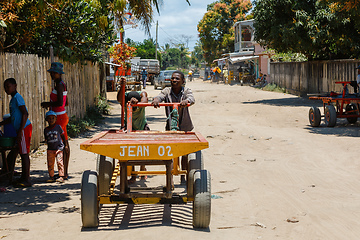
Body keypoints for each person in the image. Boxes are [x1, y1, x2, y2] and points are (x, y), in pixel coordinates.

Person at [151, 70, 195, 184]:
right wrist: (156, 100)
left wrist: (186, 101)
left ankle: (183, 177)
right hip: (171, 126)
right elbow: (160, 96)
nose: (174, 80)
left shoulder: (186, 91)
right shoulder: (167, 91)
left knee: (184, 154)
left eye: (177, 79)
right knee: (170, 153)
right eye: (172, 78)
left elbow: (192, 98)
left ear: (183, 81)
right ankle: (169, 180)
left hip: (185, 126)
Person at [0, 78, 32, 187]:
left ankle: (26, 179)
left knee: (24, 154)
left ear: (15, 86)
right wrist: (1, 123)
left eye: (8, 86)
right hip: (21, 129)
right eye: (5, 87)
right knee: (21, 152)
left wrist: (20, 131)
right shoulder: (13, 99)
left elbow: (25, 114)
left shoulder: (18, 98)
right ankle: (23, 177)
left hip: (24, 128)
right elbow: (13, 117)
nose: (6, 89)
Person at [41, 62, 70, 180]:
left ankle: (63, 173)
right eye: (51, 72)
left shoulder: (59, 85)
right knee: (65, 143)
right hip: (62, 116)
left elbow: (59, 103)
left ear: (59, 73)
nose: (52, 74)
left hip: (59, 117)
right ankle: (64, 172)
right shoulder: (61, 84)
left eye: (54, 72)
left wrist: (47, 104)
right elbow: (65, 102)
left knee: (61, 145)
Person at [117, 77, 149, 183]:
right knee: (131, 152)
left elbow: (145, 99)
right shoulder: (125, 100)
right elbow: (119, 98)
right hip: (129, 127)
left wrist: (138, 104)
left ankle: (143, 171)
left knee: (143, 151)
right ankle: (133, 176)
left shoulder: (142, 95)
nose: (133, 110)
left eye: (134, 108)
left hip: (142, 127)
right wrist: (122, 86)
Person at [44, 110, 69, 183]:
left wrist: (66, 145)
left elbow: (63, 136)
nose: (51, 120)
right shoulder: (46, 130)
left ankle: (61, 176)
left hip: (59, 148)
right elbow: (46, 139)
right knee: (50, 163)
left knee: (59, 162)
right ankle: (51, 177)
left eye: (52, 118)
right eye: (49, 118)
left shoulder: (58, 127)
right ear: (46, 120)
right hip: (50, 149)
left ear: (55, 119)